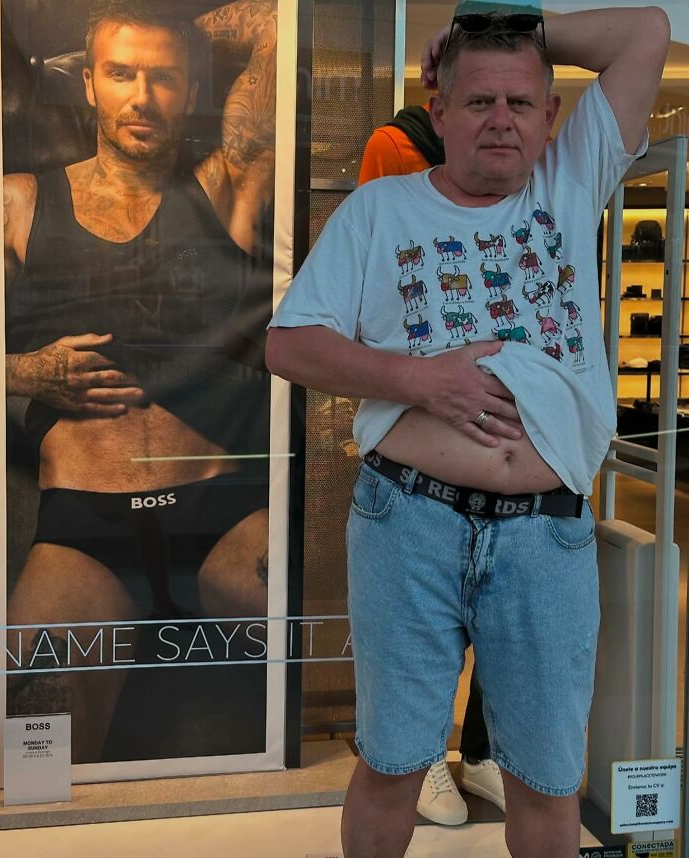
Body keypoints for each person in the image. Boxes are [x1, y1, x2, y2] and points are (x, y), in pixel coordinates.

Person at [266, 5, 669, 857]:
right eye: (478, 99)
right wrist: (421, 379)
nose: (500, 120)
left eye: (522, 102)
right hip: (409, 522)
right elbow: (288, 344)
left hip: (547, 537)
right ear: (438, 110)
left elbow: (648, 31)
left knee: (548, 777)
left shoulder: (572, 179)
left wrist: (512, 34)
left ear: (551, 117)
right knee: (391, 764)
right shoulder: (379, 212)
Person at [3, 0, 276, 763]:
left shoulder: (222, 188)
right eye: (120, 72)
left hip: (220, 512)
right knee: (32, 744)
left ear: (191, 91)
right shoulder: (16, 202)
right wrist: (23, 371)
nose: (141, 96)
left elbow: (278, 31)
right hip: (87, 529)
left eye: (164, 77)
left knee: (355, 655)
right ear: (87, 83)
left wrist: (179, 25)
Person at [360, 105, 505, 825]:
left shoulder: (524, 174)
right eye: (478, 94)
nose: (499, 116)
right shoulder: (394, 152)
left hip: (515, 463)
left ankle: (478, 753)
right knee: (421, 634)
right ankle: (420, 759)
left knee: (504, 627)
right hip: (419, 447)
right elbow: (387, 293)